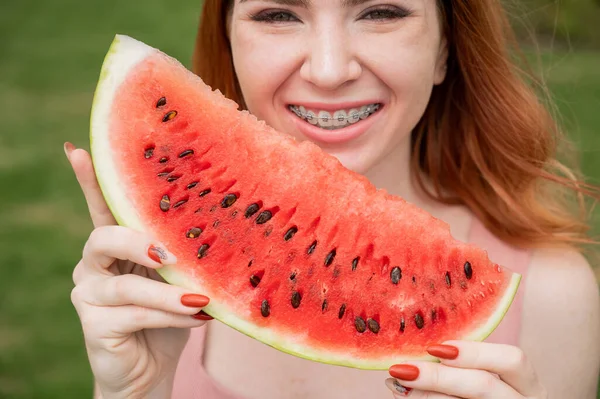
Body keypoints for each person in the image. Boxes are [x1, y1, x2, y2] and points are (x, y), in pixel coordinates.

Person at [65, 0, 600, 398]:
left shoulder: (553, 298)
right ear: (229, 39)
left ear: (444, 49)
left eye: (381, 11)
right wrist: (133, 393)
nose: (328, 69)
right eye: (277, 14)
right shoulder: (154, 288)